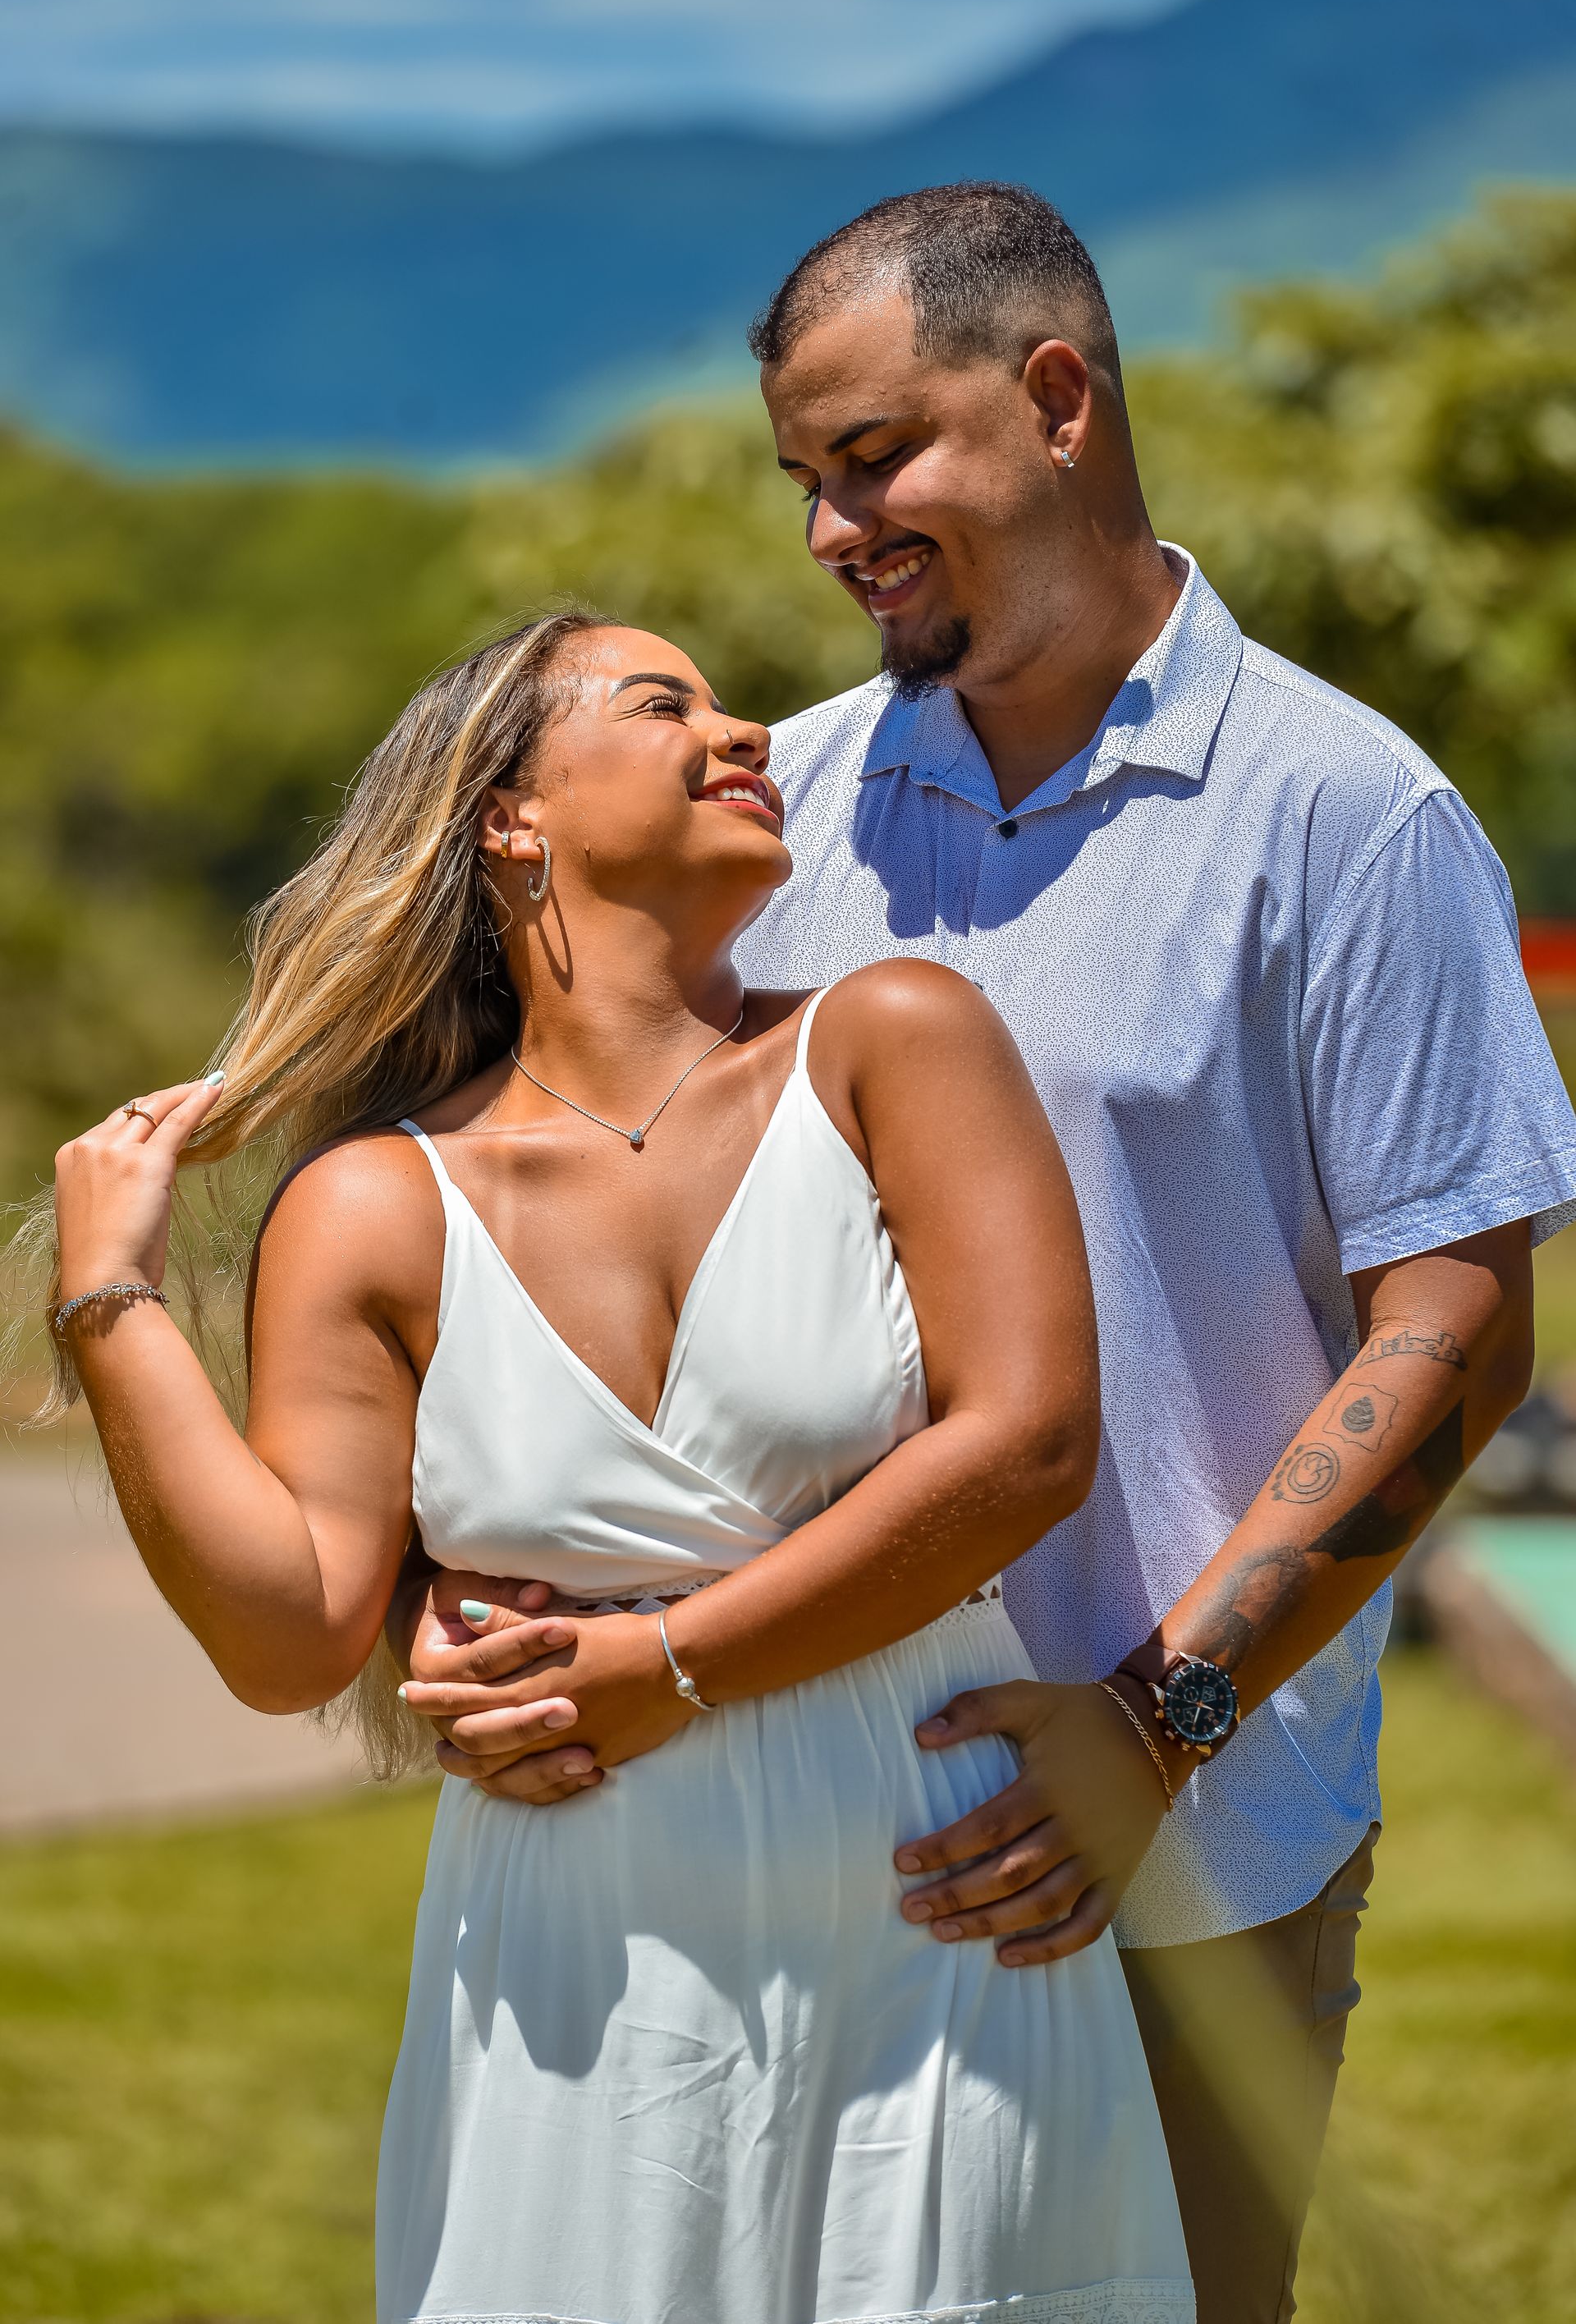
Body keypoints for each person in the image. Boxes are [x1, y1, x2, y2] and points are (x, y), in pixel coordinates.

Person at [399, 185, 1576, 2323]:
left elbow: (1460, 1332)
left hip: (1183, 1850)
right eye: (806, 482)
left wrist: (1162, 1715)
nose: (833, 531)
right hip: (774, 1827)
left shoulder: (1349, 817)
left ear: (1054, 399)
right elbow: (596, 1192)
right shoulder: (787, 807)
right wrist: (478, 1604)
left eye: (874, 458)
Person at [48, 612, 1196, 2324]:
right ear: (511, 814)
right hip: (582, 1954)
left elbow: (1025, 1441)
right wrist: (109, 1302)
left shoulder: (893, 1040)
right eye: (667, 702)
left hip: (942, 1896)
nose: (746, 730)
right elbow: (290, 1632)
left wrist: (666, 1662)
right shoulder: (372, 1206)